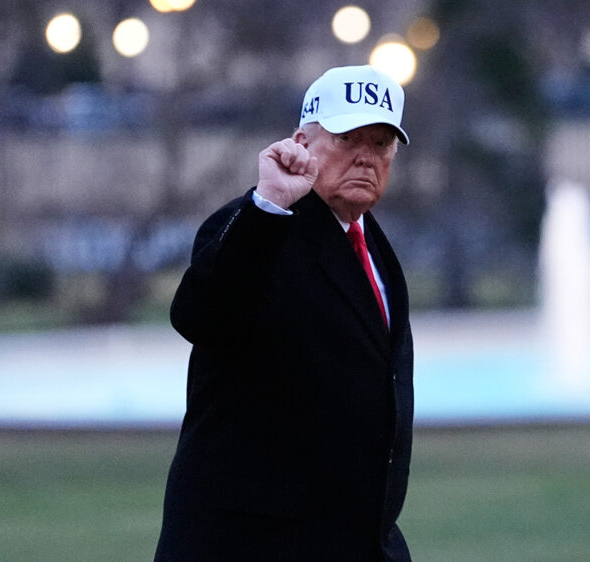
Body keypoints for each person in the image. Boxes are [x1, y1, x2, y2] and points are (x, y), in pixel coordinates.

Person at [154, 65, 414, 561]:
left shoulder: (371, 244)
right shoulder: (258, 227)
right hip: (250, 544)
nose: (366, 156)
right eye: (347, 138)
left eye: (381, 143)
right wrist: (269, 204)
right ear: (301, 143)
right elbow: (202, 317)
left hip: (352, 540)